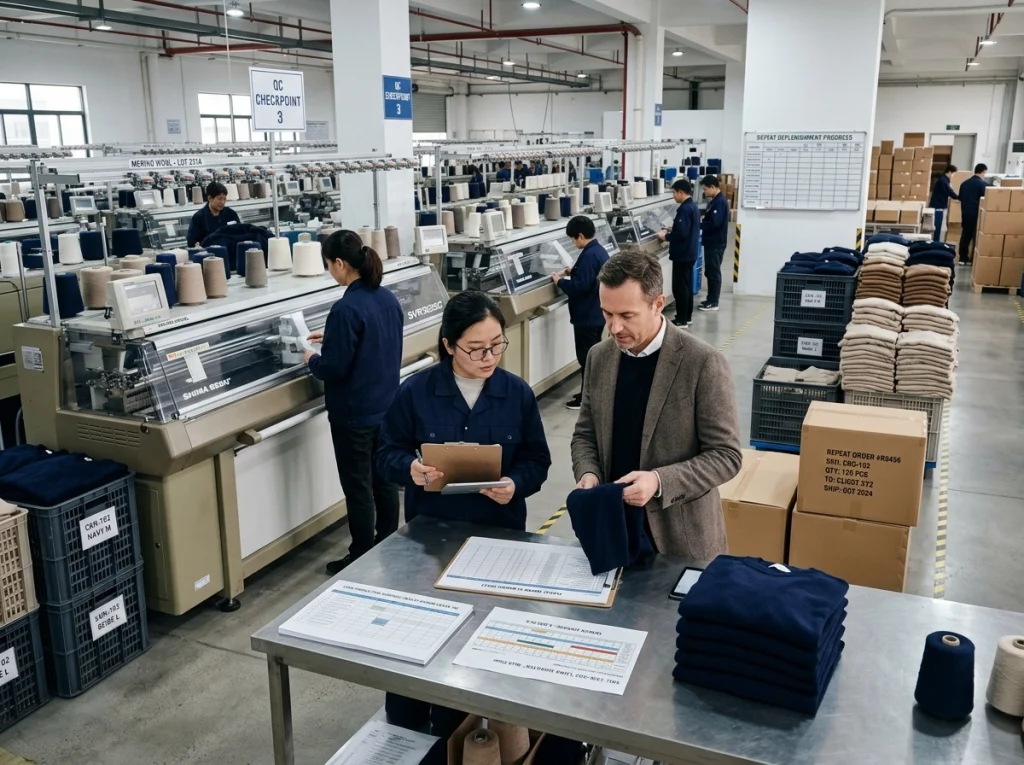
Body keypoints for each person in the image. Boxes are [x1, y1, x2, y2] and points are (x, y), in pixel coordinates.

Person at [375, 291, 559, 745]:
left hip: (499, 543)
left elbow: (538, 459)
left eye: (497, 344)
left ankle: (476, 732)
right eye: (477, 348)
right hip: (429, 542)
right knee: (420, 641)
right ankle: (413, 733)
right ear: (448, 346)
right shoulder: (416, 393)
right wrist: (412, 470)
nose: (489, 356)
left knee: (487, 643)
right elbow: (386, 454)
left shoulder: (515, 393)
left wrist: (516, 483)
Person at [570, 250, 742, 559]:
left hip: (679, 538)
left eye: (627, 315)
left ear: (658, 304)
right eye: (607, 314)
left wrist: (660, 481)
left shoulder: (701, 363)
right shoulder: (599, 357)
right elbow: (585, 435)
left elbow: (726, 456)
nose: (614, 327)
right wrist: (589, 474)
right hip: (614, 530)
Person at [305, 230, 403, 575]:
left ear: (340, 263)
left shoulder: (346, 307)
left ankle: (361, 553)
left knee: (358, 488)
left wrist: (310, 358)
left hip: (354, 417)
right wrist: (330, 335)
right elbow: (373, 343)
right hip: (387, 408)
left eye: (329, 264)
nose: (330, 270)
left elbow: (333, 367)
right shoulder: (387, 298)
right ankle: (389, 542)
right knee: (385, 481)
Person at [552, 215, 610, 411]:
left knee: (586, 358)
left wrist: (560, 281)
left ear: (580, 236)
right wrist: (573, 272)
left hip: (586, 316)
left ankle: (587, 399)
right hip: (597, 313)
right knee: (591, 357)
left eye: (572, 238)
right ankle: (590, 393)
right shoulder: (598, 251)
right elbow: (589, 277)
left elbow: (581, 287)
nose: (572, 242)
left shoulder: (589, 255)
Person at [657, 178, 700, 327]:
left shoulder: (684, 209)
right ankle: (687, 316)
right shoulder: (693, 206)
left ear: (681, 192)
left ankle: (681, 319)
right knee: (686, 286)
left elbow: (681, 234)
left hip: (682, 255)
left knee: (679, 287)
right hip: (690, 253)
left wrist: (666, 236)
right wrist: (672, 229)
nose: (673, 196)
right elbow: (685, 229)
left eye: (674, 193)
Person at [698, 175, 729, 312]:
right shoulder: (714, 201)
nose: (704, 192)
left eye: (705, 189)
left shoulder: (719, 202)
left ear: (712, 187)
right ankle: (710, 298)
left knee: (714, 272)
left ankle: (713, 301)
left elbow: (715, 223)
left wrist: (698, 225)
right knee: (710, 271)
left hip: (716, 243)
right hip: (711, 242)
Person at [186, 181, 240, 246]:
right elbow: (191, 242)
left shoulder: (231, 214)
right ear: (210, 198)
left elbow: (240, 233)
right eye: (219, 199)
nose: (222, 202)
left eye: (224, 199)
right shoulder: (199, 217)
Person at [958, 163, 988, 265]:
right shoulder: (982, 185)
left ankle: (962, 258)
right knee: (975, 236)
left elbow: (960, 198)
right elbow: (986, 199)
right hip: (976, 214)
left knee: (965, 235)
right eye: (984, 173)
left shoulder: (964, 183)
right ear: (982, 172)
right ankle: (972, 259)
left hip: (965, 213)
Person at [929, 165, 959, 243]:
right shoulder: (943, 181)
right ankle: (935, 243)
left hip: (939, 206)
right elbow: (949, 191)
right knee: (937, 227)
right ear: (949, 172)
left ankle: (936, 242)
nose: (953, 176)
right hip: (938, 207)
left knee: (939, 227)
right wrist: (959, 197)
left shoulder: (944, 180)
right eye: (953, 174)